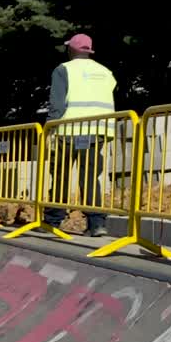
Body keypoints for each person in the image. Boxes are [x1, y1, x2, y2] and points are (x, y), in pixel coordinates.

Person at [45, 33, 116, 237]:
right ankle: (97, 224)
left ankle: (53, 220)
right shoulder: (105, 72)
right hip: (98, 132)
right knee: (91, 178)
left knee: (59, 175)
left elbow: (57, 104)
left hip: (69, 131)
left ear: (72, 50)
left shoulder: (63, 70)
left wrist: (49, 126)